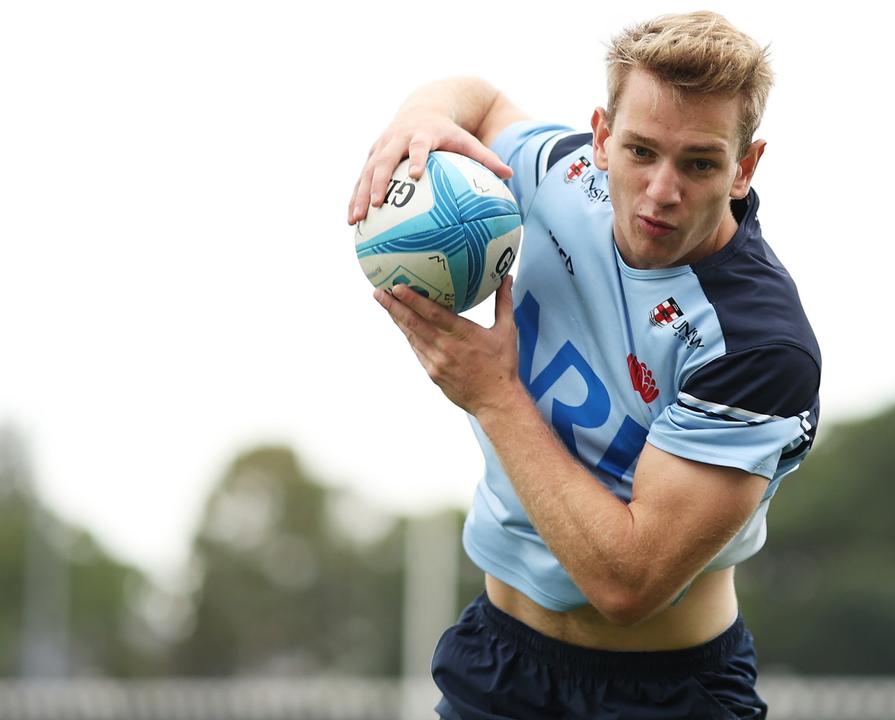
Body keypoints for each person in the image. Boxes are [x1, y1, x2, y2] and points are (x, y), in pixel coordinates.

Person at [349, 12, 820, 719]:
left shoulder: (759, 347)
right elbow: (476, 100)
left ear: (743, 169)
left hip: (667, 694)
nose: (662, 190)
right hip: (498, 663)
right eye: (640, 151)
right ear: (600, 138)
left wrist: (494, 396)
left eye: (698, 163)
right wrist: (417, 120)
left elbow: (626, 583)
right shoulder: (561, 176)